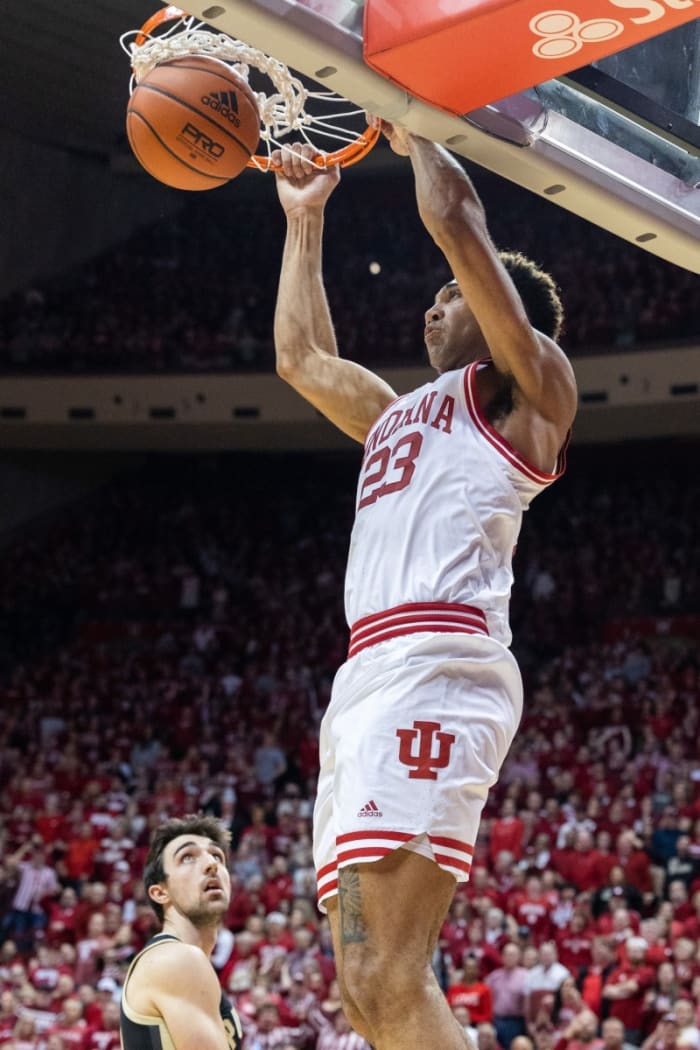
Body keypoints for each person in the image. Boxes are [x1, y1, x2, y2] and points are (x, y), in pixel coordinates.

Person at [273, 120, 576, 1050]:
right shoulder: (399, 413)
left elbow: (456, 220)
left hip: (442, 663)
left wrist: (417, 126)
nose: (432, 306)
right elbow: (301, 361)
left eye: (453, 295)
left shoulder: (529, 391)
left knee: (387, 975)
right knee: (361, 993)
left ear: (499, 312)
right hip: (366, 675)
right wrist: (304, 217)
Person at [119, 814, 243, 1050]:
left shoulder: (175, 959)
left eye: (217, 855)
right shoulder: (178, 960)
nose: (211, 864)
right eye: (187, 857)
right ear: (160, 893)